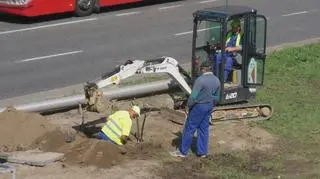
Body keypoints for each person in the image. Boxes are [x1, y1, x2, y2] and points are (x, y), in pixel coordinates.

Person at [170, 62, 221, 158]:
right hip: (209, 106)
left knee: (189, 128)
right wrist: (211, 105)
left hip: (199, 107)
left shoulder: (200, 80)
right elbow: (217, 97)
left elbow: (193, 96)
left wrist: (188, 106)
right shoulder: (217, 80)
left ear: (203, 69)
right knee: (203, 129)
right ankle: (202, 152)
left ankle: (182, 152)